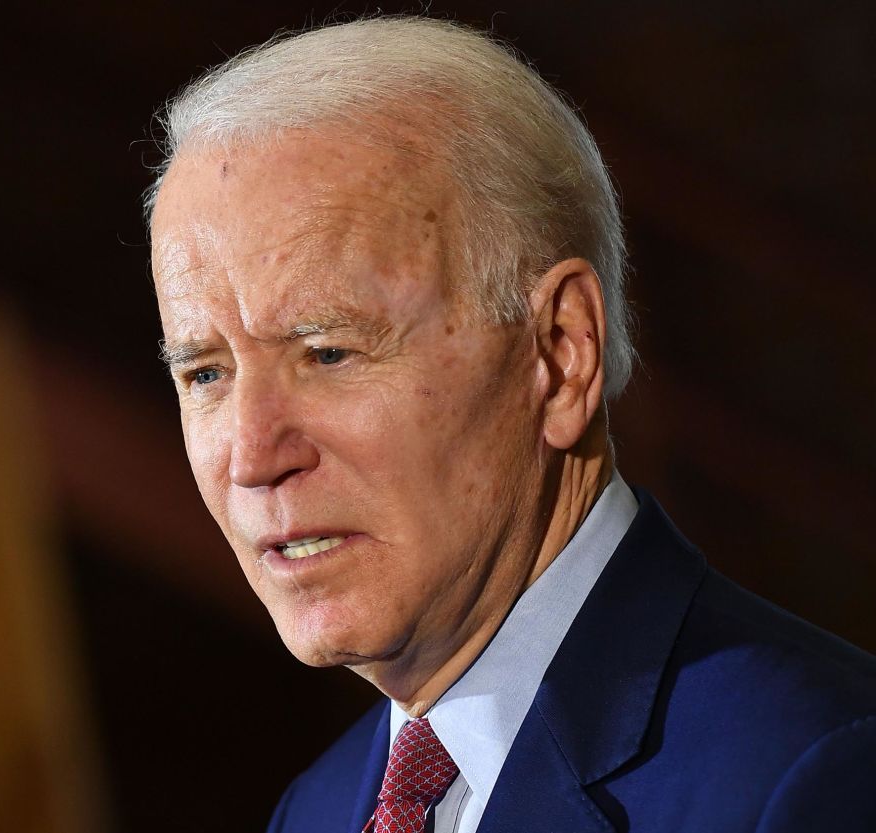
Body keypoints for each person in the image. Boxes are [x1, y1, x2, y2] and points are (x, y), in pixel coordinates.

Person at [144, 16, 876, 833]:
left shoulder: (812, 775)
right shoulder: (316, 809)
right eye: (205, 372)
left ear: (560, 355)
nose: (250, 455)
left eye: (328, 352)